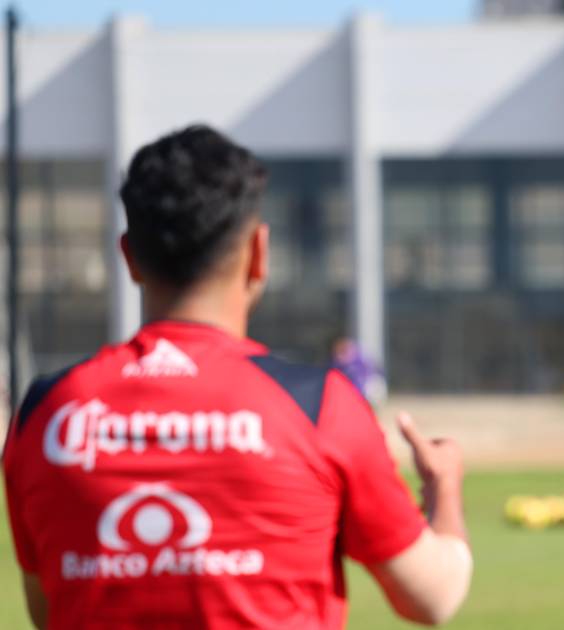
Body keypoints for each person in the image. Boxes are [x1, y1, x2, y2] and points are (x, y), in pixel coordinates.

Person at [2, 125, 471, 629]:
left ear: (129, 257)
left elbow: (48, 610)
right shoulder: (318, 407)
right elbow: (433, 598)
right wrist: (443, 487)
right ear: (259, 253)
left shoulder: (43, 414)